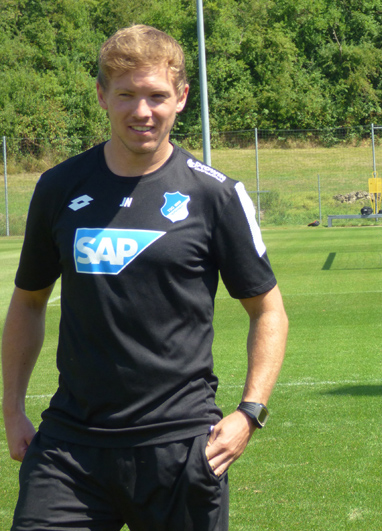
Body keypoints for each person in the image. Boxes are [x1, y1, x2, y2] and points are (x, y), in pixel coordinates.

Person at [2, 25, 288, 531]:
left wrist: (250, 412)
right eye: (126, 95)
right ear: (101, 96)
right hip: (71, 447)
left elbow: (268, 311)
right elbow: (28, 302)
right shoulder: (59, 186)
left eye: (156, 96)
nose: (142, 111)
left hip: (180, 447)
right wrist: (12, 408)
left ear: (181, 97)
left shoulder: (216, 195)